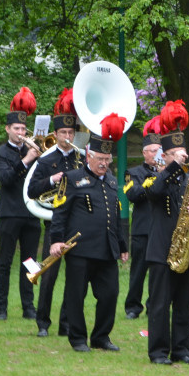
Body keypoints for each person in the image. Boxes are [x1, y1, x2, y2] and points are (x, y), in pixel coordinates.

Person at [49, 114, 130, 352]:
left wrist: (123, 245)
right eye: (100, 158)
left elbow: (115, 217)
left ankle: (101, 336)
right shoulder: (73, 179)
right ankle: (77, 338)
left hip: (106, 249)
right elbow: (60, 212)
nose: (104, 163)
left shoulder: (113, 182)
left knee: (110, 294)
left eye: (107, 158)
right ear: (88, 156)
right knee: (76, 296)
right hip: (80, 249)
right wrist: (56, 240)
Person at [145, 129, 189, 365]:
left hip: (188, 250)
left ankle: (181, 349)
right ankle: (158, 351)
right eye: (174, 154)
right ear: (165, 156)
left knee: (183, 303)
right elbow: (153, 192)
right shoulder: (156, 177)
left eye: (183, 154)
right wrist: (172, 168)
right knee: (160, 303)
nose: (181, 158)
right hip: (162, 250)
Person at [26, 109, 81, 337]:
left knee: (75, 278)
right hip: (54, 223)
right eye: (63, 132)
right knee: (49, 274)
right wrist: (52, 179)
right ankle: (43, 323)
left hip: (77, 224)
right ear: (56, 134)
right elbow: (31, 190)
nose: (67, 136)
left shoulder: (82, 159)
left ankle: (66, 324)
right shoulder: (46, 160)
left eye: (70, 132)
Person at [0, 88, 41, 321]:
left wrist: (38, 156)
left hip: (32, 214)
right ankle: (1, 308)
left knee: (30, 262)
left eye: (24, 129)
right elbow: (5, 179)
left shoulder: (34, 151)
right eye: (17, 129)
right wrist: (26, 159)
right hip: (10, 213)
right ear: (8, 129)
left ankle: (28, 306)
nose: (21, 133)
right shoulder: (0, 152)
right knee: (5, 261)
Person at [124, 117, 162, 320]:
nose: (158, 155)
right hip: (142, 229)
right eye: (154, 151)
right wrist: (154, 181)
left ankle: (153, 304)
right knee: (138, 271)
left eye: (160, 150)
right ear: (144, 153)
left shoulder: (167, 173)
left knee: (158, 271)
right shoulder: (133, 172)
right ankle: (132, 306)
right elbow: (133, 194)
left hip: (161, 229)